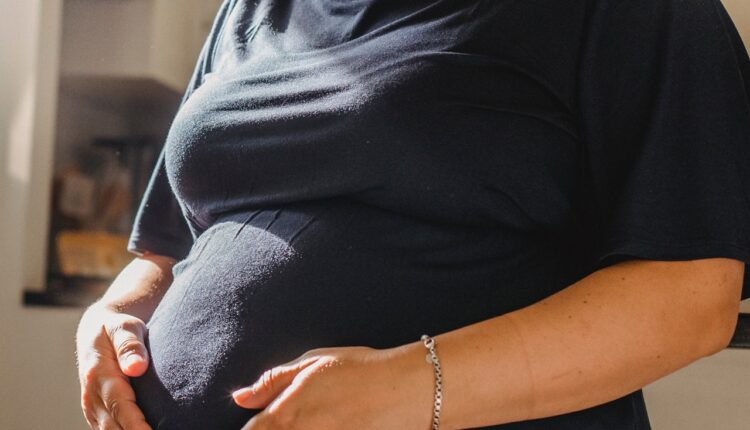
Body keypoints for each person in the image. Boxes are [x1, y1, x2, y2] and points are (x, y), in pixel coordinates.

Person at [75, 0, 750, 429]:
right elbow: (161, 254)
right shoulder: (253, 9)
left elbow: (691, 297)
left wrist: (405, 386)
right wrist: (109, 320)